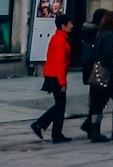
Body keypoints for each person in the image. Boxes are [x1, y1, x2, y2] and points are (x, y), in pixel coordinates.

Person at [82, 10, 113, 142]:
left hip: (99, 72)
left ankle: (95, 131)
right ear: (112, 21)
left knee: (98, 103)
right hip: (107, 73)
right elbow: (108, 56)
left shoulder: (101, 34)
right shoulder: (109, 36)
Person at [31, 13, 75, 143]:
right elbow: (60, 63)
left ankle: (51, 130)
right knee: (60, 105)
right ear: (63, 25)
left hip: (52, 74)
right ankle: (47, 128)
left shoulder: (57, 38)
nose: (72, 26)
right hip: (55, 76)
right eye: (70, 24)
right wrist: (63, 82)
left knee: (59, 105)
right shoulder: (60, 41)